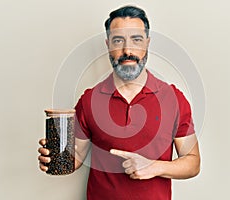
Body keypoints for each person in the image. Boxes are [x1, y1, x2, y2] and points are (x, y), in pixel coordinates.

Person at [38, 5, 200, 200]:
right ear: (108, 45)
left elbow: (193, 163)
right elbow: (77, 156)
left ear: (147, 43)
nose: (127, 50)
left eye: (136, 39)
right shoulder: (90, 99)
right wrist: (54, 157)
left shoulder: (173, 99)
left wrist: (153, 167)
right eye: (118, 41)